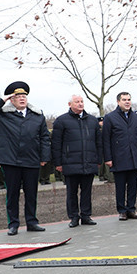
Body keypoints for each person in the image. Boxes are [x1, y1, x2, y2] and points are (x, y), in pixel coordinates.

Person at [0, 81, 51, 235]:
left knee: (31, 193)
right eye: (18, 96)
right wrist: (2, 99)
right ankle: (13, 224)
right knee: (12, 194)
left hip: (31, 160)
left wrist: (44, 157)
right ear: (12, 100)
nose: (22, 99)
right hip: (10, 161)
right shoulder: (3, 114)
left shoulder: (37, 115)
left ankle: (32, 222)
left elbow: (45, 137)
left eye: (24, 96)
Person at [51, 94, 102, 227]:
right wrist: (58, 163)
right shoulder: (61, 121)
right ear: (70, 104)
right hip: (70, 163)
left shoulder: (92, 120)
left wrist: (98, 159)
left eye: (81, 101)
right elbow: (56, 144)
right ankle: (74, 217)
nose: (80, 104)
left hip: (88, 162)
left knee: (87, 191)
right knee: (71, 192)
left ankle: (86, 215)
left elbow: (98, 142)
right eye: (77, 102)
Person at [102, 92, 137, 221]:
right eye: (124, 100)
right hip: (118, 158)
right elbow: (106, 139)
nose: (127, 102)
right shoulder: (110, 118)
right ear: (118, 102)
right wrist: (108, 158)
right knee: (120, 187)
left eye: (129, 99)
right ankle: (122, 210)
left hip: (134, 158)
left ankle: (131, 209)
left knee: (133, 186)